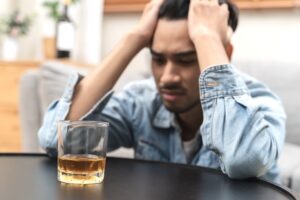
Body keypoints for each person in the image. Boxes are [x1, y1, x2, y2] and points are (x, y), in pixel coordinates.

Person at [38, 0, 286, 184]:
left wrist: (207, 36)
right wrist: (134, 38)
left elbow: (243, 158)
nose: (167, 77)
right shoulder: (141, 102)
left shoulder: (261, 106)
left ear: (222, 53)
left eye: (187, 59)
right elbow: (57, 141)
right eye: (157, 59)